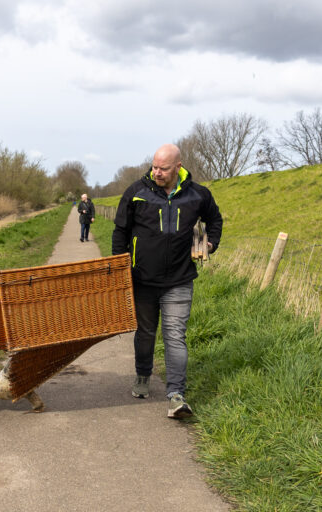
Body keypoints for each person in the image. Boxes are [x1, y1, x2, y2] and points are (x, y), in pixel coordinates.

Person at [112, 143, 222, 419]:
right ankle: (142, 375)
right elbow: (120, 231)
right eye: (154, 166)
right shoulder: (136, 192)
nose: (157, 172)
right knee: (146, 334)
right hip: (142, 280)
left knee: (175, 336)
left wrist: (209, 244)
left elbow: (215, 220)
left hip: (179, 279)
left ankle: (176, 395)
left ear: (178, 167)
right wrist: (118, 268)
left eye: (163, 168)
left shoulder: (198, 195)